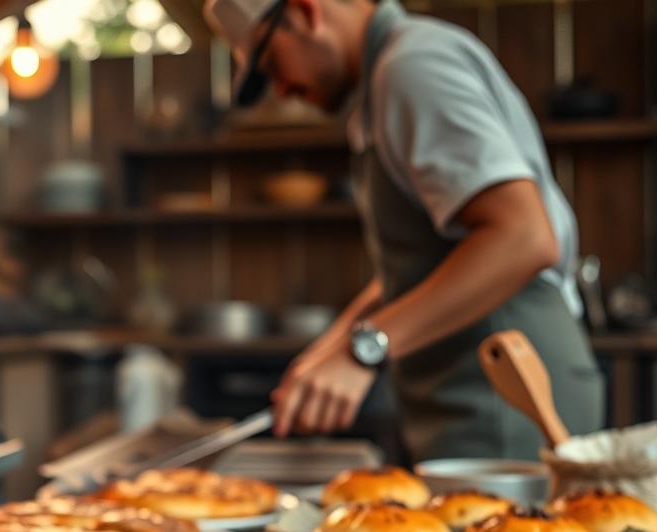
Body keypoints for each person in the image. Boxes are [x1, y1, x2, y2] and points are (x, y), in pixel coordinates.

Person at [203, 0, 603, 461]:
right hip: (473, 397)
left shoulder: (412, 66)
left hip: (511, 394)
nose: (282, 90)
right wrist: (333, 346)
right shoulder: (378, 89)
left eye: (271, 65)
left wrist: (364, 349)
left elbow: (523, 238)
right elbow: (424, 266)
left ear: (307, 12)